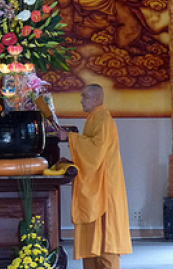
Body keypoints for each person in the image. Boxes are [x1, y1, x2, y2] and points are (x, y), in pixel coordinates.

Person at [58, 84, 132, 268]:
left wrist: (70, 137)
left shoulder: (103, 118)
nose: (81, 100)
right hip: (98, 182)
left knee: (107, 236)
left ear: (98, 99)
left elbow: (96, 150)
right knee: (94, 236)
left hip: (106, 186)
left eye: (85, 97)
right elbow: (91, 151)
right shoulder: (95, 118)